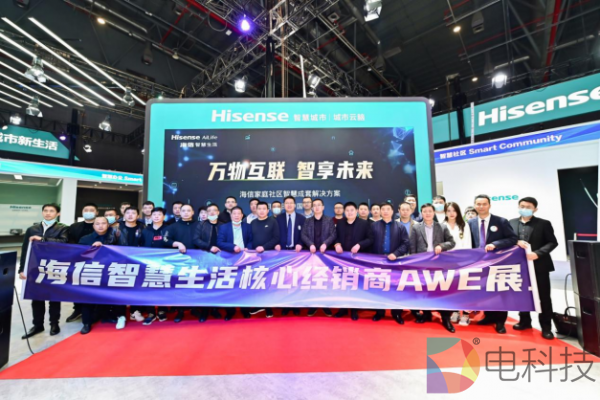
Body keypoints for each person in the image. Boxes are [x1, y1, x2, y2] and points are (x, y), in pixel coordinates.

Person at [468, 194, 518, 334]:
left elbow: (512, 238)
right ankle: (489, 316)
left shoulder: (501, 221)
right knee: (485, 291)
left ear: (489, 205)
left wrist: (495, 244)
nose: (481, 207)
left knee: (500, 292)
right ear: (474, 205)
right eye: (478, 204)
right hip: (479, 264)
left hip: (498, 263)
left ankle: (500, 321)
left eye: (484, 204)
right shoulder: (470, 223)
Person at [510, 197, 558, 340]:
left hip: (539, 265)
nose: (524, 208)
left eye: (528, 206)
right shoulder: (511, 223)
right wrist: (515, 241)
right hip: (519, 266)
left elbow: (552, 242)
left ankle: (546, 327)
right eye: (522, 206)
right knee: (522, 294)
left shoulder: (544, 223)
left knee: (544, 297)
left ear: (535, 209)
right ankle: (524, 321)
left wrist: (538, 254)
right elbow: (508, 240)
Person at [19, 203, 69, 339]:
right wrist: (22, 269)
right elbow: (25, 249)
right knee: (36, 298)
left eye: (51, 211)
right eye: (45, 210)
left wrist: (43, 239)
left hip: (54, 266)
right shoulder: (32, 229)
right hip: (36, 267)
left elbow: (64, 242)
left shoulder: (63, 228)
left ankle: (54, 324)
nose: (48, 213)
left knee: (54, 297)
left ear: (58, 214)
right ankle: (37, 325)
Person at [409, 203, 456, 333]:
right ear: (421, 213)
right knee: (424, 291)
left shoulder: (442, 226)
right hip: (422, 264)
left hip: (438, 265)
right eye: (425, 211)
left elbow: (452, 242)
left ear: (434, 212)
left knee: (441, 291)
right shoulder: (416, 227)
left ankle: (445, 318)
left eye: (430, 211)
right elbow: (412, 247)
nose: (427, 213)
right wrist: (415, 263)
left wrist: (441, 246)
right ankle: (427, 314)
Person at [78, 216, 128, 334]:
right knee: (87, 297)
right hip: (92, 271)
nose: (100, 226)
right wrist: (93, 249)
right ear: (93, 226)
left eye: (103, 223)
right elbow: (80, 256)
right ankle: (86, 323)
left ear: (108, 225)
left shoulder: (116, 237)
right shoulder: (85, 239)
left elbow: (123, 252)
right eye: (97, 223)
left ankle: (113, 316)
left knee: (115, 295)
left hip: (111, 271)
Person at [334, 202, 374, 320]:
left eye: (352, 210)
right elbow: (335, 237)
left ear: (356, 211)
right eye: (347, 210)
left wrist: (359, 245)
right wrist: (337, 244)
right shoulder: (340, 223)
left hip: (358, 259)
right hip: (342, 259)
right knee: (343, 284)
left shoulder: (364, 223)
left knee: (355, 285)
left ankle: (354, 310)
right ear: (344, 212)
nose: (349, 212)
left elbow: (371, 239)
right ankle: (343, 308)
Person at [371, 203, 410, 324]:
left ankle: (396, 313)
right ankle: (379, 312)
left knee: (395, 288)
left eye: (388, 209)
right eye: (383, 209)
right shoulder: (373, 226)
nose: (385, 211)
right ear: (380, 211)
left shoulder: (400, 227)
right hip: (377, 262)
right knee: (378, 287)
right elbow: (369, 242)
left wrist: (396, 253)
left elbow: (406, 244)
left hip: (395, 262)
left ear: (393, 212)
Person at [301, 198, 337, 317]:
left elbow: (333, 234)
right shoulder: (307, 221)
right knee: (313, 279)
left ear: (323, 207)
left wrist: (325, 244)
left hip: (325, 255)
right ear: (312, 208)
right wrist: (310, 244)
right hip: (311, 255)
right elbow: (303, 235)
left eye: (319, 205)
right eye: (314, 205)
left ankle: (326, 304)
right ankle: (313, 305)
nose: (316, 207)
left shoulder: (329, 220)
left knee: (325, 279)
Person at [217, 206, 253, 320]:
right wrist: (233, 247)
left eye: (239, 213)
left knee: (244, 285)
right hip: (229, 259)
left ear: (242, 215)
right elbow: (220, 242)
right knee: (230, 286)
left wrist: (248, 248)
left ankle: (245, 310)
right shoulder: (224, 227)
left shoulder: (247, 226)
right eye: (234, 213)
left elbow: (251, 240)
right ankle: (230, 311)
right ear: (231, 215)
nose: (236, 215)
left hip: (244, 259)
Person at [65, 202, 99, 323]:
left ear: (97, 212)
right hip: (78, 260)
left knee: (94, 286)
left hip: (96, 262)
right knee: (77, 286)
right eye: (86, 210)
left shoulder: (100, 225)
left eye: (91, 210)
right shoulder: (74, 226)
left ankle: (94, 311)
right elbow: (70, 242)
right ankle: (77, 309)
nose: (88, 212)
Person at [165, 203, 198, 322]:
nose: (186, 213)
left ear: (193, 212)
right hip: (180, 261)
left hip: (198, 260)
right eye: (183, 210)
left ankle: (196, 309)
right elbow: (165, 239)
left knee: (196, 284)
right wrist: (177, 244)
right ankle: (180, 310)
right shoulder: (173, 226)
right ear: (179, 212)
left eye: (188, 210)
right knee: (180, 286)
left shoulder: (200, 225)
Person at [139, 207, 171, 325]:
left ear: (164, 217)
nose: (156, 216)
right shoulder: (145, 230)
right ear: (151, 216)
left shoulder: (169, 229)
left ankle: (162, 310)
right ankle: (151, 312)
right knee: (148, 287)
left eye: (159, 214)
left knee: (163, 286)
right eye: (154, 214)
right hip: (148, 263)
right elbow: (140, 245)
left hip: (165, 263)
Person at [192, 203, 224, 322]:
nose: (212, 212)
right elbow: (196, 240)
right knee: (205, 284)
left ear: (218, 212)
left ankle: (215, 309)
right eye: (209, 210)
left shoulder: (223, 225)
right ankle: (204, 310)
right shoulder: (201, 225)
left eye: (214, 210)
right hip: (204, 258)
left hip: (220, 259)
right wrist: (209, 247)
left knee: (217, 284)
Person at [443, 202, 473, 326]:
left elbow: (468, 244)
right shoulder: (442, 225)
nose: (451, 213)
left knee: (464, 289)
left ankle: (465, 314)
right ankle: (455, 311)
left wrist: (466, 261)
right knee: (452, 289)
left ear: (458, 212)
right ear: (445, 212)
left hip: (462, 262)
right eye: (449, 210)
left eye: (454, 210)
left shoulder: (464, 225)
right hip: (447, 263)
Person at [275, 196, 306, 316]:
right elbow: (276, 234)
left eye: (291, 203)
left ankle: (296, 305)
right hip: (282, 252)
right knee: (284, 280)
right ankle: (286, 305)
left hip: (297, 253)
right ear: (284, 205)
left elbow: (305, 234)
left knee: (296, 279)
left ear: (295, 205)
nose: (289, 205)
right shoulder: (278, 218)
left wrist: (300, 244)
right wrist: (277, 244)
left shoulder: (302, 218)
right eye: (286, 203)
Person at [249, 201, 280, 318]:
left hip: (269, 256)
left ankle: (268, 307)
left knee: (268, 281)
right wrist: (250, 248)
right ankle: (259, 304)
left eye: (264, 209)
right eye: (259, 209)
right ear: (256, 210)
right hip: (255, 257)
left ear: (268, 210)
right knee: (258, 281)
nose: (261, 211)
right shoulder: (253, 223)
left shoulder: (273, 221)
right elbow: (250, 238)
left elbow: (276, 238)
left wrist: (264, 247)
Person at [117, 207, 145, 322]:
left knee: (137, 286)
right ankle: (121, 314)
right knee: (121, 288)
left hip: (138, 262)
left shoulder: (143, 228)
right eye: (127, 213)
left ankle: (135, 311)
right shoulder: (117, 229)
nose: (130, 215)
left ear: (138, 216)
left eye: (133, 213)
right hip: (121, 261)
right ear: (124, 215)